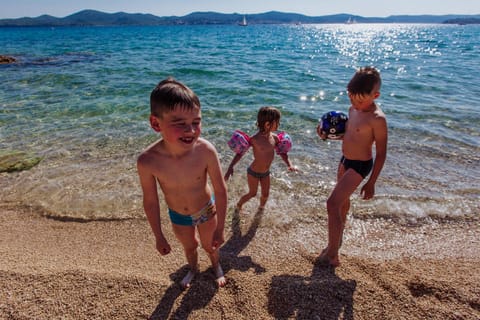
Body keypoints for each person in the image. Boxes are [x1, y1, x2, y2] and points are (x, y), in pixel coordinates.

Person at [137, 78, 227, 288]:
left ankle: (216, 266)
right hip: (177, 214)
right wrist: (158, 236)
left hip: (205, 209)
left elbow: (221, 189)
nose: (191, 130)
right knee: (190, 246)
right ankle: (193, 269)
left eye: (196, 122)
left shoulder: (205, 150)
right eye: (180, 124)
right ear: (155, 123)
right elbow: (150, 201)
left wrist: (221, 227)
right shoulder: (148, 161)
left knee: (210, 245)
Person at [317, 66, 388, 267]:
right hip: (345, 160)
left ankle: (332, 254)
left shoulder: (378, 119)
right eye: (351, 98)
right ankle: (338, 237)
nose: (355, 104)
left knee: (332, 204)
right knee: (343, 203)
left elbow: (381, 154)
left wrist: (372, 182)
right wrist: (326, 136)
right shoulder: (352, 109)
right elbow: (349, 136)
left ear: (375, 95)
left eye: (360, 100)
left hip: (360, 165)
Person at [224, 106, 296, 212]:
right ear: (267, 124)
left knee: (265, 194)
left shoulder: (275, 138)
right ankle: (239, 205)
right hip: (253, 172)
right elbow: (240, 154)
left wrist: (289, 164)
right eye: (277, 122)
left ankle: (260, 209)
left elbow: (282, 153)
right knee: (252, 193)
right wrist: (231, 167)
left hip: (265, 173)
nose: (279, 124)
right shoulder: (255, 139)